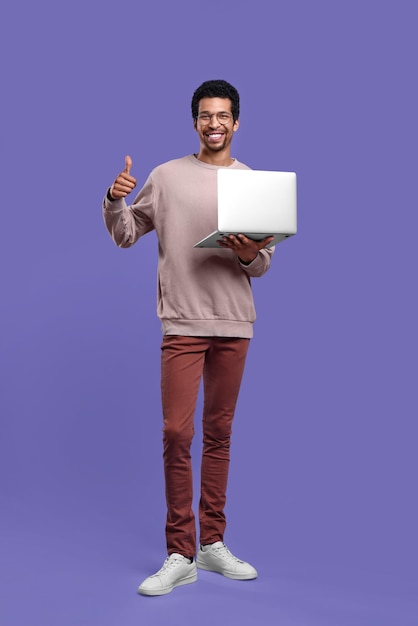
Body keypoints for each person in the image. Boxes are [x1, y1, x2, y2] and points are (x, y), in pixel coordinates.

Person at [103, 79, 275, 596]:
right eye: (205, 115)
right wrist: (115, 202)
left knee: (219, 436)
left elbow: (261, 262)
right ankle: (180, 551)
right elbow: (127, 233)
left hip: (233, 322)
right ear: (195, 121)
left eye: (223, 115)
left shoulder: (252, 183)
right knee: (178, 435)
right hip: (181, 321)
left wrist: (246, 252)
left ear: (237, 122)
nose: (214, 124)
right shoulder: (167, 176)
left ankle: (212, 544)